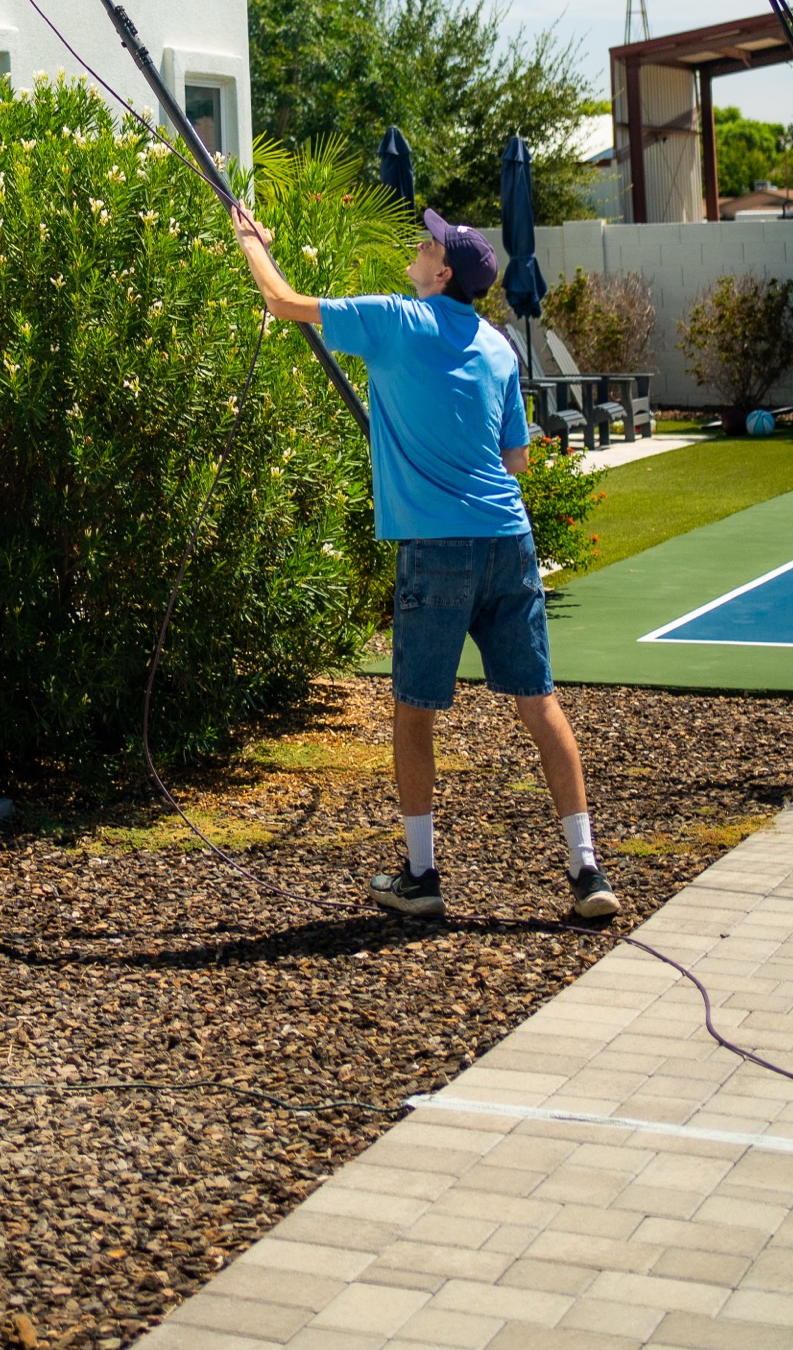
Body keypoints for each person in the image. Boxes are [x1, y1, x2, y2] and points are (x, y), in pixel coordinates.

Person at [230, 197, 619, 926]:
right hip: (509, 541)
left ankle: (421, 874)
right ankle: (586, 867)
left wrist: (251, 239)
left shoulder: (396, 319)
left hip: (437, 551)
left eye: (428, 245)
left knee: (414, 713)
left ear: (441, 275)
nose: (418, 245)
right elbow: (517, 459)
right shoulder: (499, 346)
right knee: (538, 703)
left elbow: (282, 301)